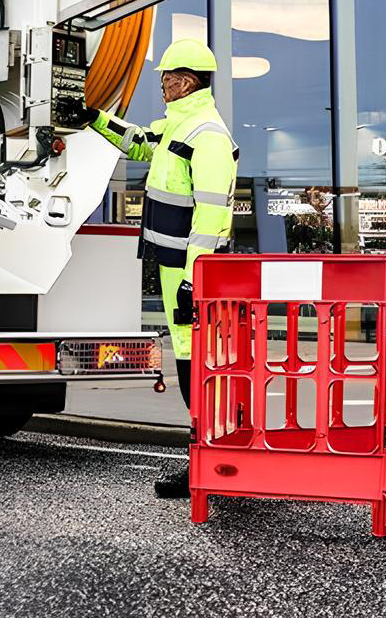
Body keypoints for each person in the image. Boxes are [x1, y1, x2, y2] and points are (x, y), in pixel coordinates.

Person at [81, 38, 237, 499]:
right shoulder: (178, 129)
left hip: (190, 276)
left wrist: (194, 279)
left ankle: (206, 467)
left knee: (198, 369)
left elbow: (212, 217)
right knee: (192, 366)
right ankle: (207, 464)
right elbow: (140, 144)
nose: (163, 86)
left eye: (167, 79)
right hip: (176, 271)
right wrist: (93, 119)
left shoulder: (206, 136)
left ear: (186, 80)